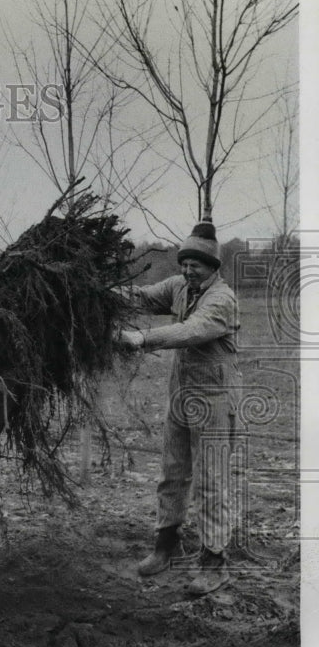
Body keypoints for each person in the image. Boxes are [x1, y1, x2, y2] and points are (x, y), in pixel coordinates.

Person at [115, 217, 242, 596]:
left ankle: (214, 563)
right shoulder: (179, 288)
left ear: (213, 268)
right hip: (180, 397)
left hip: (215, 401)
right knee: (172, 472)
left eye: (197, 265)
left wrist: (140, 338)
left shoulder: (222, 300)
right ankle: (165, 547)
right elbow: (140, 297)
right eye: (185, 263)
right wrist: (97, 292)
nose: (189, 270)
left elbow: (190, 331)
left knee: (211, 482)